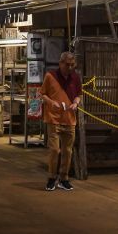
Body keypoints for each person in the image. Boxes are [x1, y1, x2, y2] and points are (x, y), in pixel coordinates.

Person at [39, 51, 81, 191]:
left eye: (72, 65)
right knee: (55, 150)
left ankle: (64, 178)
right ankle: (51, 177)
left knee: (67, 151)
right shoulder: (50, 76)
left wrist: (76, 103)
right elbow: (42, 94)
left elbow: (78, 95)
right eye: (67, 64)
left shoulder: (75, 78)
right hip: (53, 118)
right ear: (60, 63)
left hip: (70, 119)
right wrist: (51, 103)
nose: (70, 67)